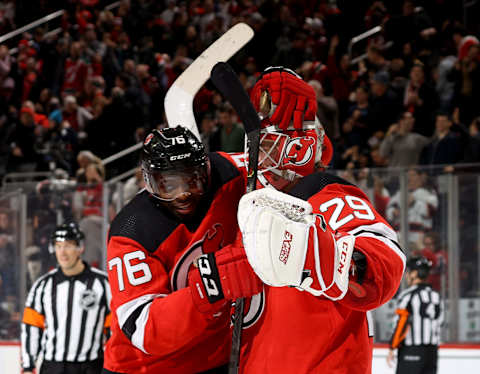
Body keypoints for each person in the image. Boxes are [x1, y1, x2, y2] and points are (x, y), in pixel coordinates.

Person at [204, 67, 405, 373]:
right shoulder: (243, 196)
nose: (263, 153)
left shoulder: (326, 194)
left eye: (275, 141)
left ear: (304, 146)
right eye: (262, 140)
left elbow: (384, 261)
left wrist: (339, 263)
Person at [103, 127, 262, 373]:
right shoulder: (132, 230)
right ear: (149, 182)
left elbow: (272, 166)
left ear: (206, 170)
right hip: (145, 367)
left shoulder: (227, 172)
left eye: (192, 180)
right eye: (168, 185)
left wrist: (300, 142)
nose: (184, 193)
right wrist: (211, 288)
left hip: (212, 357)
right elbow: (142, 327)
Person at [21, 222, 111, 374]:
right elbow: (32, 327)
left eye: (68, 245)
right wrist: (28, 366)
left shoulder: (103, 284)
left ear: (80, 248)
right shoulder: (43, 286)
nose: (62, 252)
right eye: (58, 246)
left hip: (91, 367)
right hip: (53, 367)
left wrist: (113, 365)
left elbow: (113, 329)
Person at [387, 256, 444, 374]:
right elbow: (440, 322)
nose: (407, 275)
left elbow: (401, 323)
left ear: (415, 274)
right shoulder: (436, 296)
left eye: (409, 271)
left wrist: (392, 347)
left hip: (412, 350)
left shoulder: (408, 296)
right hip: (432, 351)